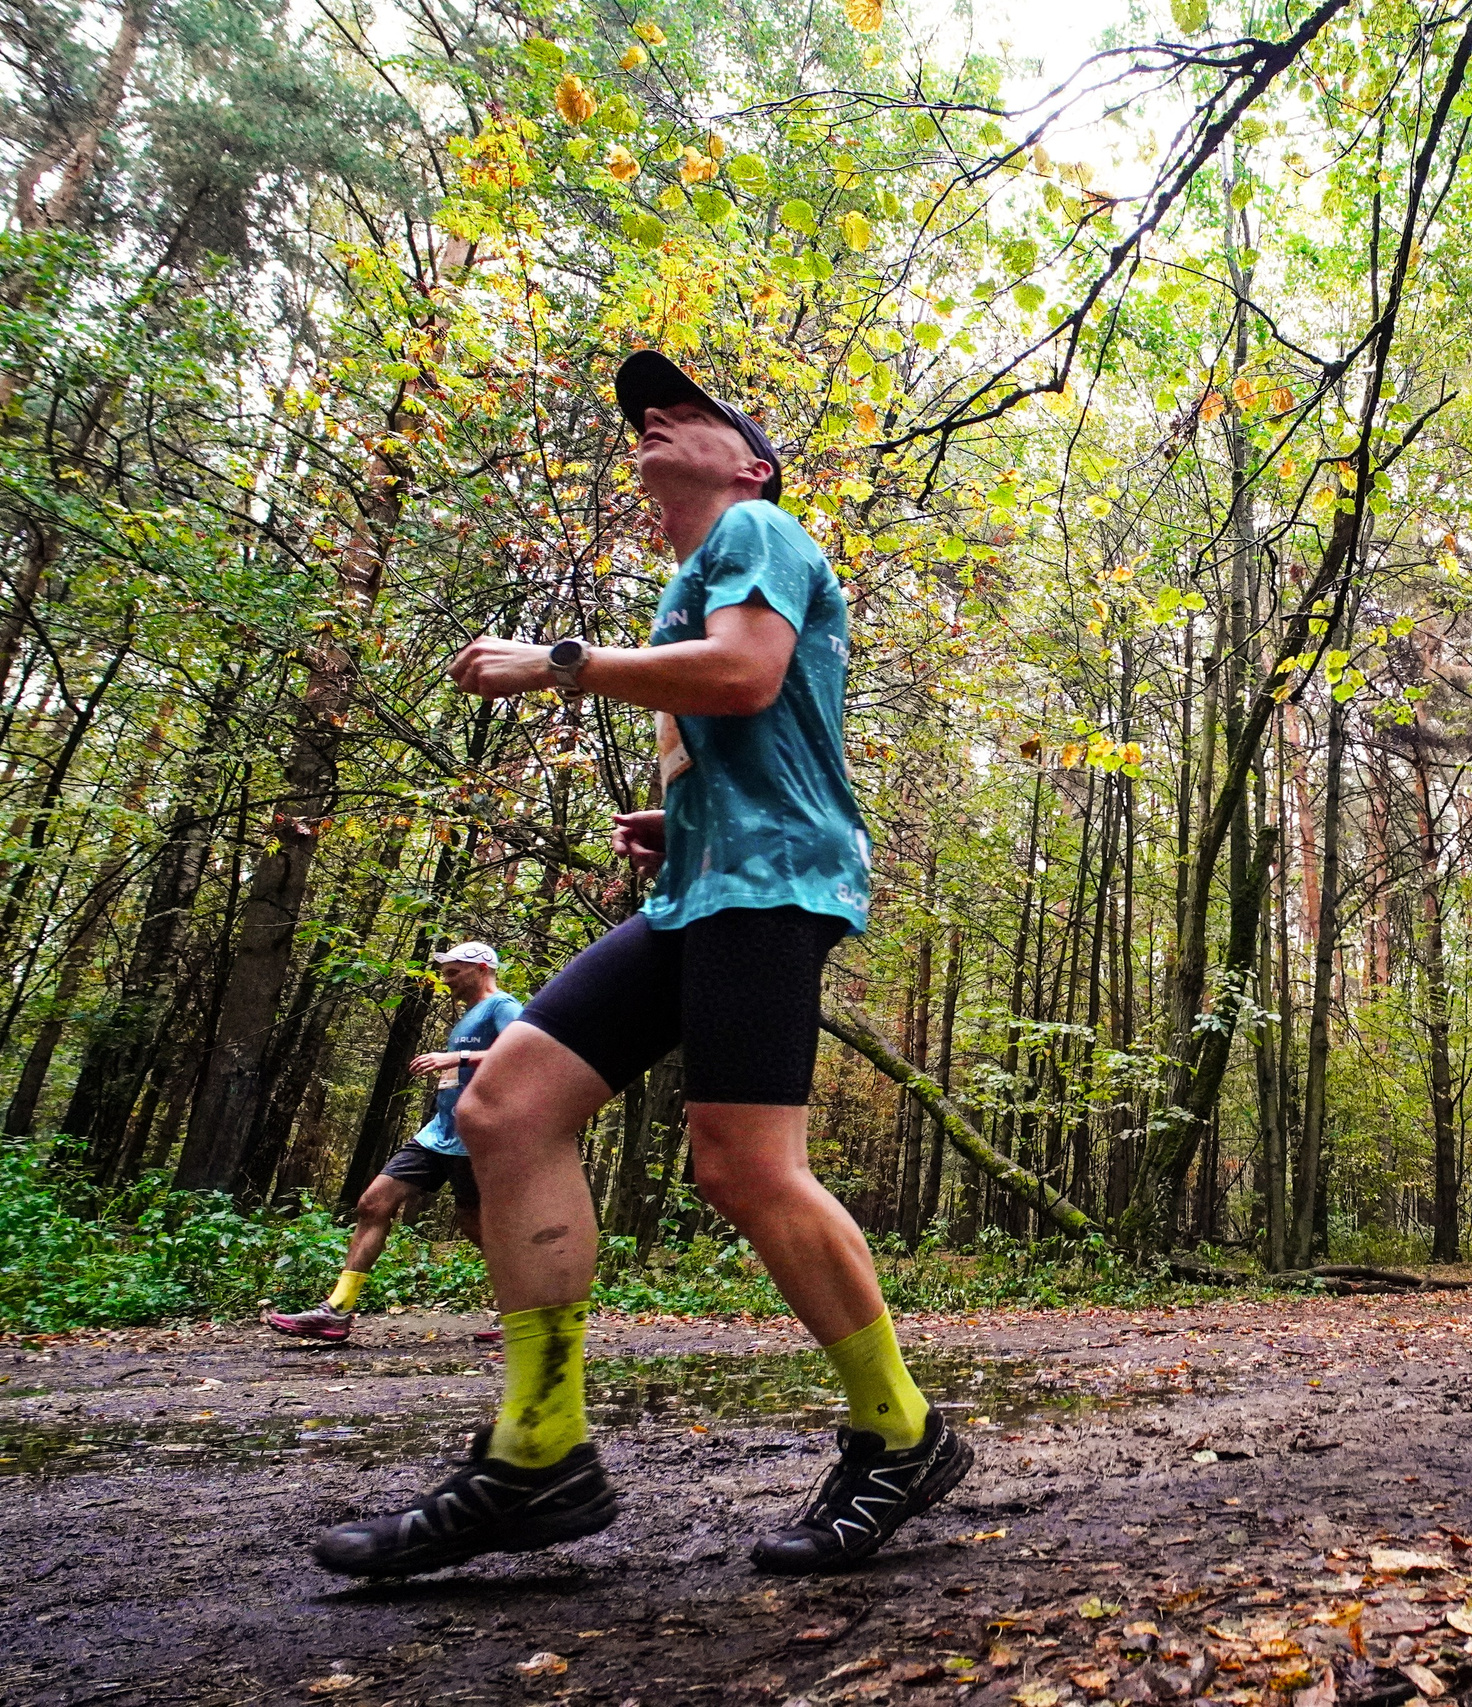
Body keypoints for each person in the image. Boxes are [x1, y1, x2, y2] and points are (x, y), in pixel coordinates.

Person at [308, 351, 969, 1579]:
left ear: (748, 462)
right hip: (700, 886)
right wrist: (686, 814)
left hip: (772, 887)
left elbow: (747, 674)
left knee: (744, 1168)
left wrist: (557, 662)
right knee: (505, 1108)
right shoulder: (694, 577)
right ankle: (539, 1450)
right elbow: (759, 718)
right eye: (641, 416)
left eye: (688, 410)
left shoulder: (761, 525)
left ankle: (902, 1432)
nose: (655, 418)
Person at [263, 943, 522, 1345]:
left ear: (481, 968)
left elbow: (523, 1052)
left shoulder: (502, 1005)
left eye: (454, 972)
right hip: (438, 1134)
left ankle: (523, 1309)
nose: (447, 980)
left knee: (475, 1225)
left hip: (480, 1137)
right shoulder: (468, 1015)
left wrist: (456, 1058)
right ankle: (337, 1310)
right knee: (373, 1203)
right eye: (446, 973)